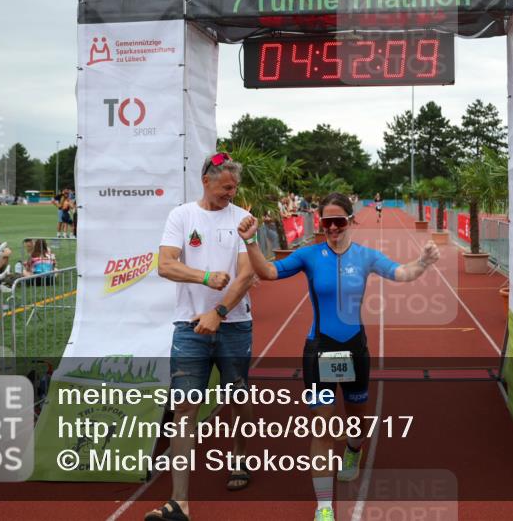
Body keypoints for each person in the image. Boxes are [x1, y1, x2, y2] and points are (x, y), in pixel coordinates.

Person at [237, 192, 439, 521]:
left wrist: (423, 263)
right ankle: (324, 506)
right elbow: (268, 273)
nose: (332, 228)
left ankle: (353, 451)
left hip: (354, 348)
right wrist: (250, 243)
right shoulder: (309, 256)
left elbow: (400, 273)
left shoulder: (365, 256)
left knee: (356, 419)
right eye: (326, 222)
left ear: (349, 220)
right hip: (320, 350)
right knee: (322, 427)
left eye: (338, 221)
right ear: (320, 222)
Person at [146, 152, 257, 521]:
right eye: (225, 186)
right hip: (188, 326)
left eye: (234, 188)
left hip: (234, 324)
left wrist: (218, 312)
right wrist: (204, 277)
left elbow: (245, 275)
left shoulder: (242, 218)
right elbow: (165, 264)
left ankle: (239, 457)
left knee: (237, 397)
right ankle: (180, 501)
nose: (230, 193)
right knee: (184, 408)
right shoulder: (182, 216)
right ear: (206, 180)